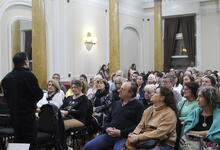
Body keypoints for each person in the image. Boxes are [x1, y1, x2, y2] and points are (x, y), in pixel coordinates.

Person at [84, 82, 144, 150]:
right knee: (88, 147)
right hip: (109, 135)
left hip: (125, 137)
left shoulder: (139, 106)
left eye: (123, 89)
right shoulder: (116, 103)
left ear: (130, 93)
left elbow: (139, 125)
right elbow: (108, 119)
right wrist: (107, 128)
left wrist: (121, 133)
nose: (119, 90)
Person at [1, 52, 43, 150]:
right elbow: (38, 94)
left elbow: (5, 99)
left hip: (14, 116)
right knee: (30, 142)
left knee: (18, 140)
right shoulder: (29, 76)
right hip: (27, 116)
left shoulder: (6, 78)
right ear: (25, 62)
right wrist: (31, 103)